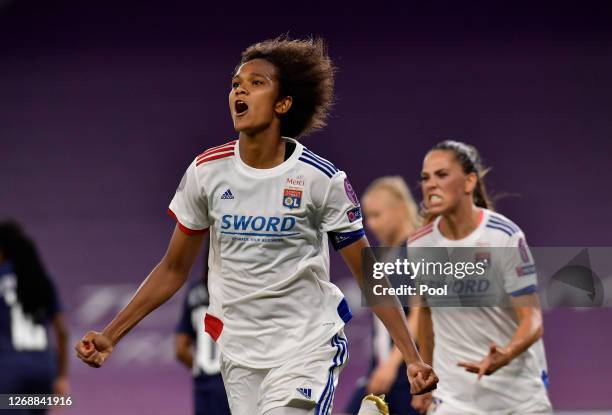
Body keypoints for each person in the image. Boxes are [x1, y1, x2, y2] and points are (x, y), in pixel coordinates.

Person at [75, 36, 437, 415]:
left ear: (283, 103)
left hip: (307, 346)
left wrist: (411, 357)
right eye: (235, 84)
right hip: (239, 354)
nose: (240, 90)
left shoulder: (321, 180)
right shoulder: (206, 173)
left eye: (256, 82)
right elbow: (173, 268)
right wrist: (110, 335)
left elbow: (369, 274)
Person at [409, 140, 552, 414]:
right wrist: (427, 376)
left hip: (518, 398)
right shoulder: (419, 244)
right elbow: (426, 316)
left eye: (442, 175)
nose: (430, 185)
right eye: (425, 178)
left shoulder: (504, 236)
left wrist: (506, 354)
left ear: (469, 181)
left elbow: (532, 320)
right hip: (454, 399)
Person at [346, 177, 422, 415]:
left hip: (407, 372)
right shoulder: (384, 256)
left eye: (377, 215)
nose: (370, 224)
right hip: (381, 369)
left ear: (400, 209)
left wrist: (391, 365)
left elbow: (421, 312)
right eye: (367, 216)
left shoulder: (417, 249)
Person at [0, 221, 69, 414]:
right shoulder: (41, 279)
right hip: (43, 369)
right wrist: (62, 376)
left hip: (7, 371)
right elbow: (62, 331)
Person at [175, 248, 231, 415]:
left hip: (204, 384)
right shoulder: (240, 292)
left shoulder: (193, 292)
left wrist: (200, 366)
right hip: (234, 380)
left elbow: (180, 349)